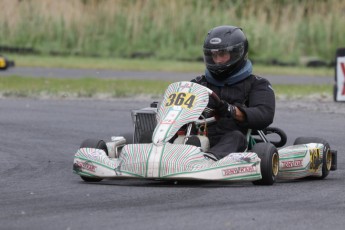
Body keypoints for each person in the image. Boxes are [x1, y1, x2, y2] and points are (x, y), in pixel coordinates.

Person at [191, 25, 275, 161]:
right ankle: (155, 154)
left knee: (236, 137)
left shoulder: (257, 84)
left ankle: (208, 160)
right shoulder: (199, 83)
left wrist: (231, 110)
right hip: (199, 138)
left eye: (222, 54)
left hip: (232, 141)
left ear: (238, 53)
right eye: (214, 55)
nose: (217, 60)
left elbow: (264, 114)